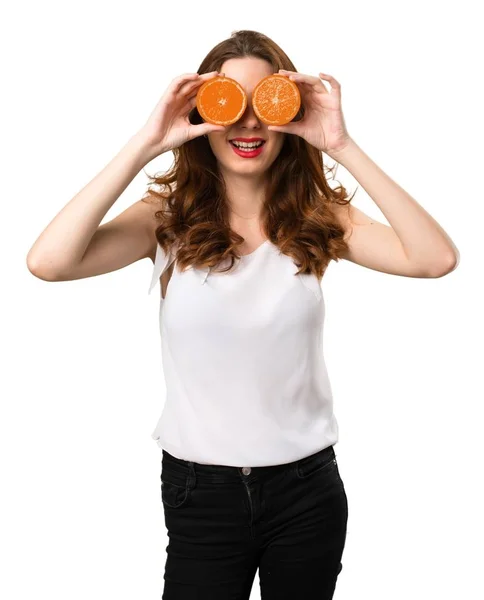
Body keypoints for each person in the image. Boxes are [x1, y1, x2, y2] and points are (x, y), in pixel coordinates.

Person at [27, 29, 459, 600]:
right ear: (202, 112)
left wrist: (341, 145)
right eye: (230, 102)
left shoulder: (320, 217)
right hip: (199, 491)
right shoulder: (165, 218)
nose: (249, 123)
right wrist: (145, 142)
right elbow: (48, 263)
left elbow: (435, 260)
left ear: (292, 111)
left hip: (307, 489)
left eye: (267, 103)